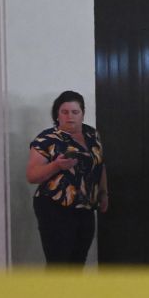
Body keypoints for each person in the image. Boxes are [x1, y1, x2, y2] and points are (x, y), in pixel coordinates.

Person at [26, 90, 108, 266]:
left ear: (83, 114)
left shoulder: (92, 134)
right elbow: (32, 175)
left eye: (75, 112)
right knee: (59, 264)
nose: (70, 116)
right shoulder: (46, 139)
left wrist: (103, 193)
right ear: (57, 114)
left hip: (85, 207)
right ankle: (56, 294)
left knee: (78, 261)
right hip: (55, 207)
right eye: (65, 112)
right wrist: (56, 165)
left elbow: (100, 165)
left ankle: (73, 294)